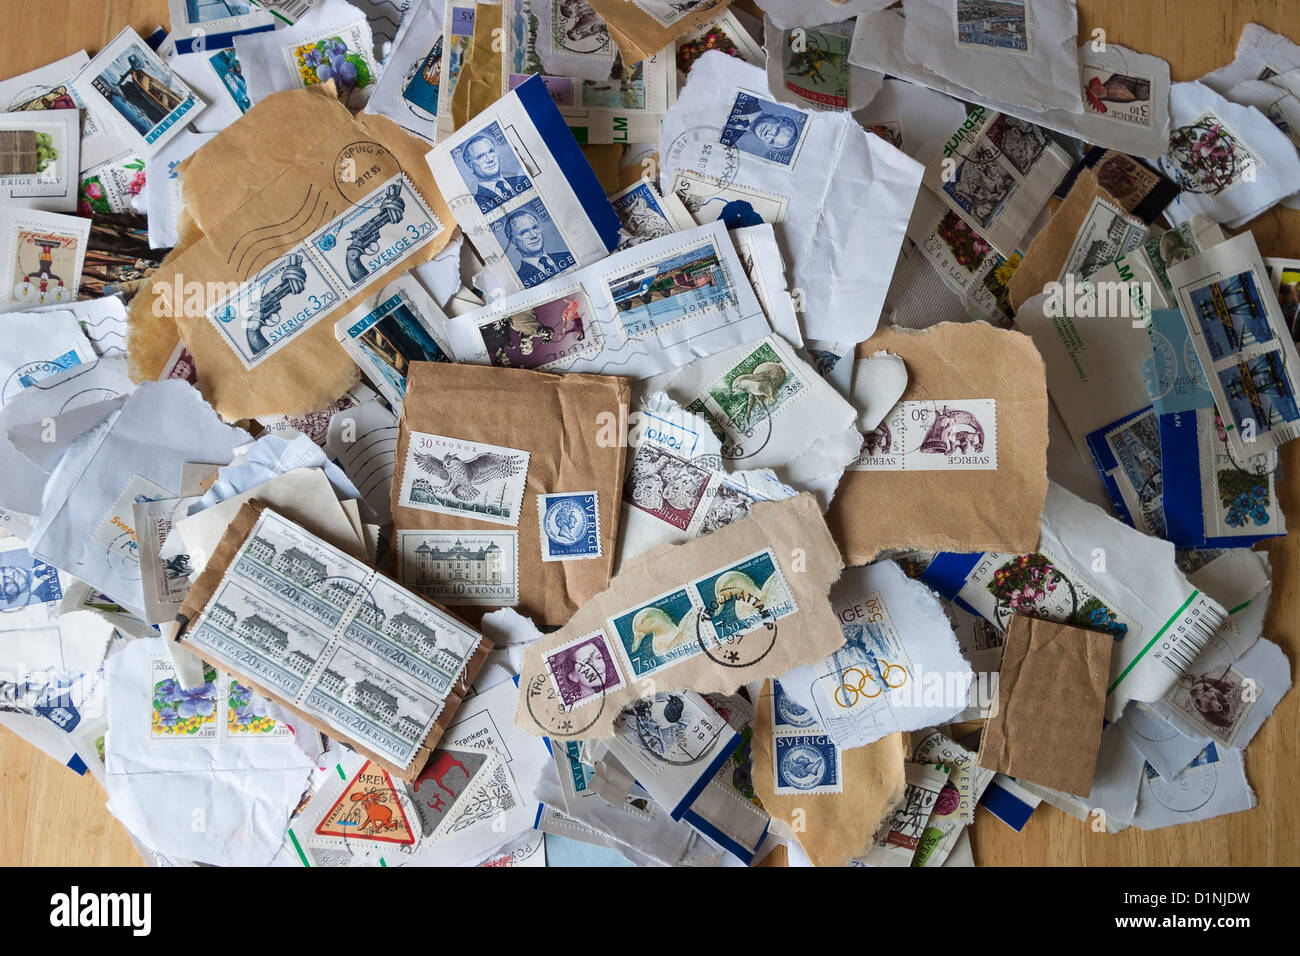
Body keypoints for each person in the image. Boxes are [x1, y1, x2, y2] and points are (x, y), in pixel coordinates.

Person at [503, 209, 573, 285]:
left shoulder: (569, 255)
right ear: (513, 243)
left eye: (535, 228)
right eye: (524, 233)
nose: (534, 235)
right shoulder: (520, 280)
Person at [462, 133, 530, 212]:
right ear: (470, 167)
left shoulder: (524, 179)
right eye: (481, 156)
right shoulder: (477, 205)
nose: (490, 159)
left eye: (491, 151)